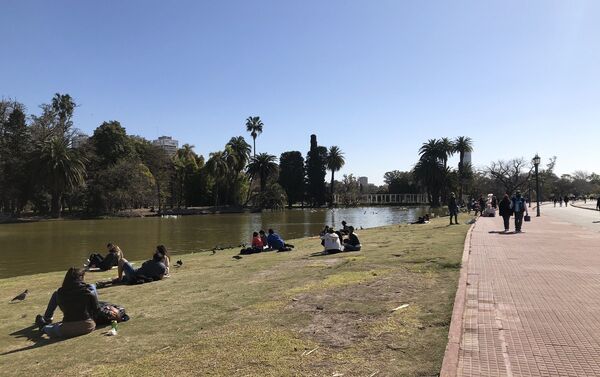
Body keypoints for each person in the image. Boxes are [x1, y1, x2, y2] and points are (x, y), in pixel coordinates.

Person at [35, 268, 99, 338]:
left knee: (47, 328)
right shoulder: (88, 291)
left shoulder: (60, 293)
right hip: (88, 326)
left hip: (66, 329)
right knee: (93, 287)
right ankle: (47, 322)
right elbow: (96, 310)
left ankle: (45, 323)